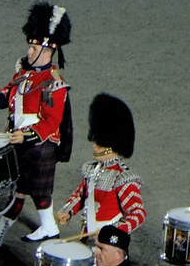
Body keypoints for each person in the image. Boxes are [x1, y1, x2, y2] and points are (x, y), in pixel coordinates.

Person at [0, 2, 74, 245]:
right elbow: (12, 91)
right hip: (21, 139)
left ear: (48, 50)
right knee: (22, 190)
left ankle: (37, 231)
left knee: (28, 191)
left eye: (34, 48)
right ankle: (45, 228)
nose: (29, 52)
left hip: (39, 143)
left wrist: (27, 135)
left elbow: (52, 121)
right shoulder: (25, 72)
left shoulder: (54, 83)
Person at [58, 93, 145, 236]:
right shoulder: (91, 170)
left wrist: (114, 231)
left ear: (111, 145)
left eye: (100, 143)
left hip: (108, 243)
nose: (95, 146)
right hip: (87, 234)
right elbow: (80, 195)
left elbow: (137, 213)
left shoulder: (123, 178)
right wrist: (68, 210)